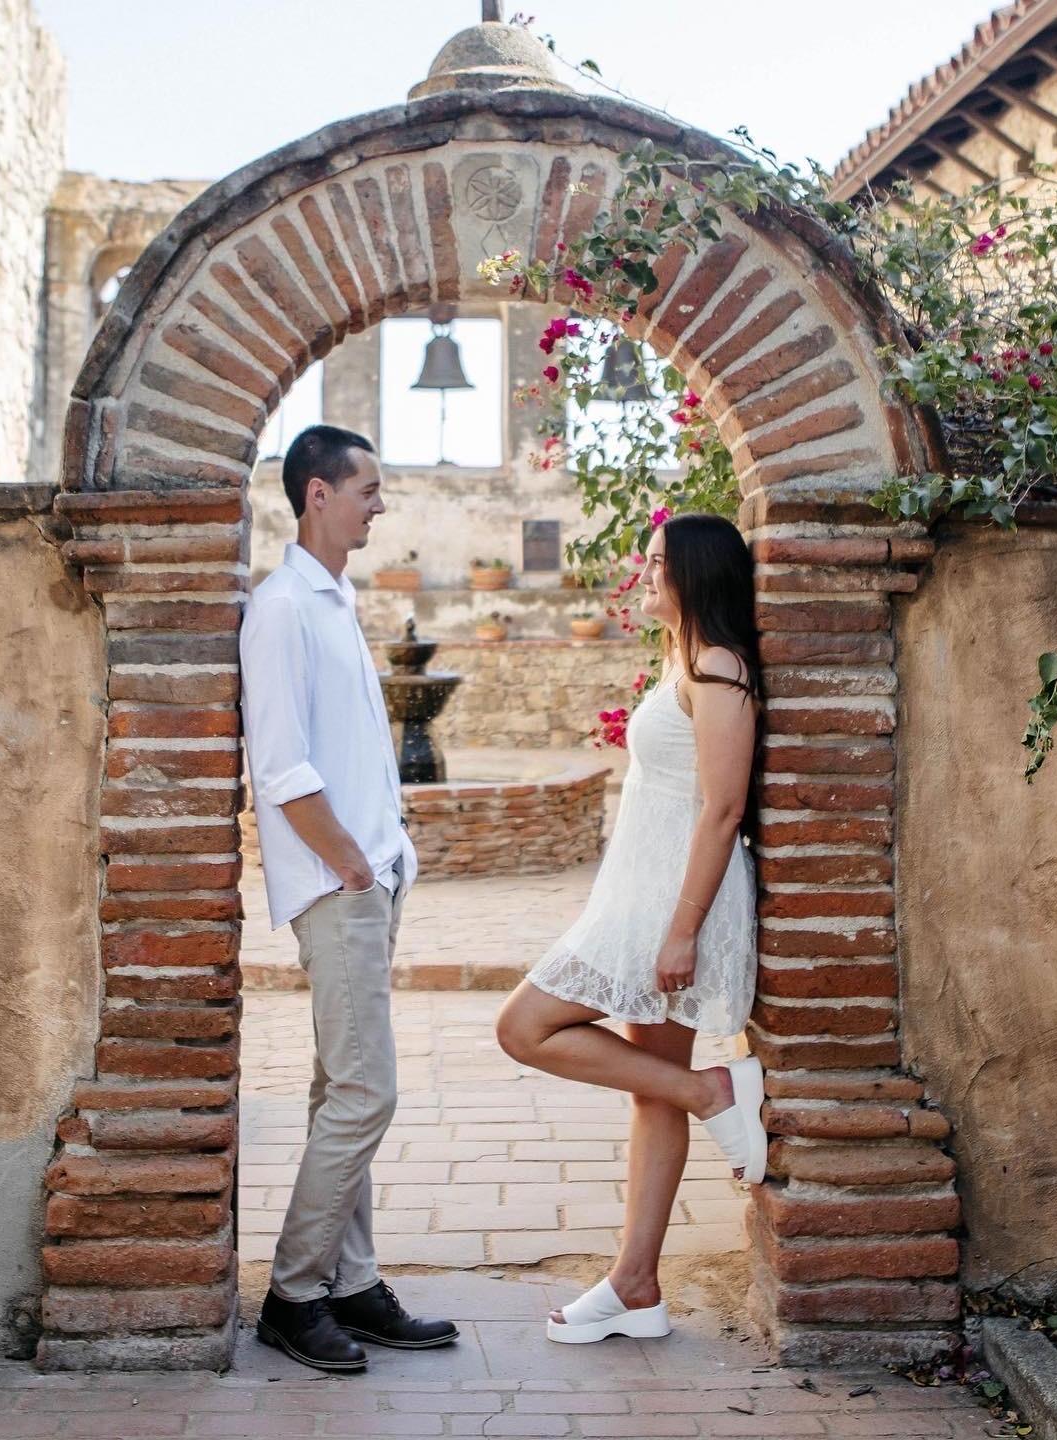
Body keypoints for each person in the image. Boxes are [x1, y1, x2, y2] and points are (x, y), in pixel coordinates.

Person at [495, 512, 764, 1346]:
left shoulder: (719, 668)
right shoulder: (687, 658)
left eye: (657, 564)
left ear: (695, 574)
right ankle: (636, 1286)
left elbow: (721, 810)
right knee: (654, 1088)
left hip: (670, 906)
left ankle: (714, 1093)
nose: (645, 575)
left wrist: (681, 932)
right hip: (644, 896)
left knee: (523, 1027)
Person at [240, 424, 458, 1373]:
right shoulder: (282, 607)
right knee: (367, 1092)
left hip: (369, 876)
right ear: (317, 494)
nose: (380, 505)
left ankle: (354, 1282)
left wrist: (388, 855)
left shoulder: (335, 599)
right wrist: (352, 866)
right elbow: (282, 767)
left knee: (342, 1090)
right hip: (337, 887)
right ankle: (294, 1295)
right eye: (368, 489)